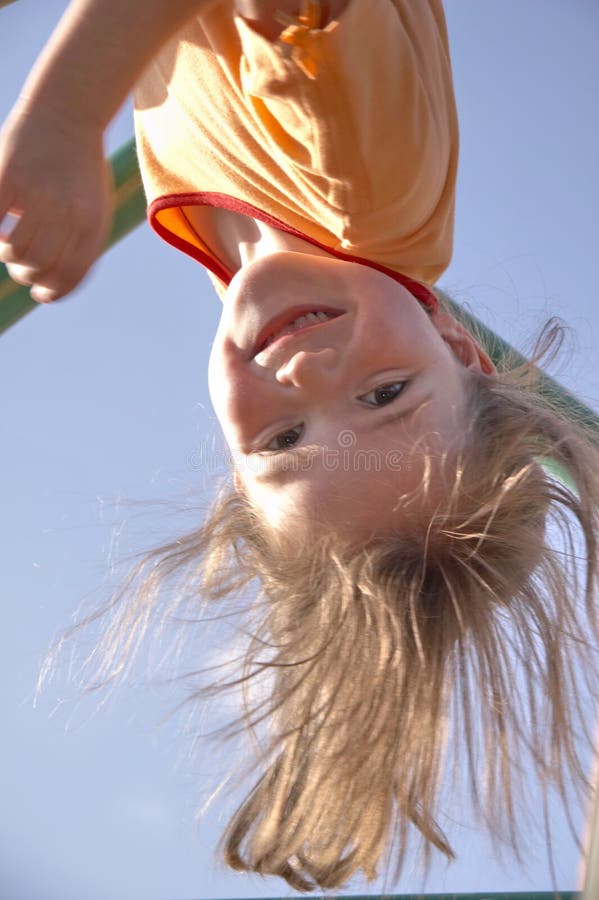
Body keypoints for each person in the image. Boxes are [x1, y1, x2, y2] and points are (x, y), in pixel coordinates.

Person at [1, 0, 598, 890]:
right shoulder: (360, 177)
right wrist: (66, 114)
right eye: (386, 396)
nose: (307, 374)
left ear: (236, 471)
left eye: (284, 440)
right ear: (466, 354)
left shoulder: (247, 233)